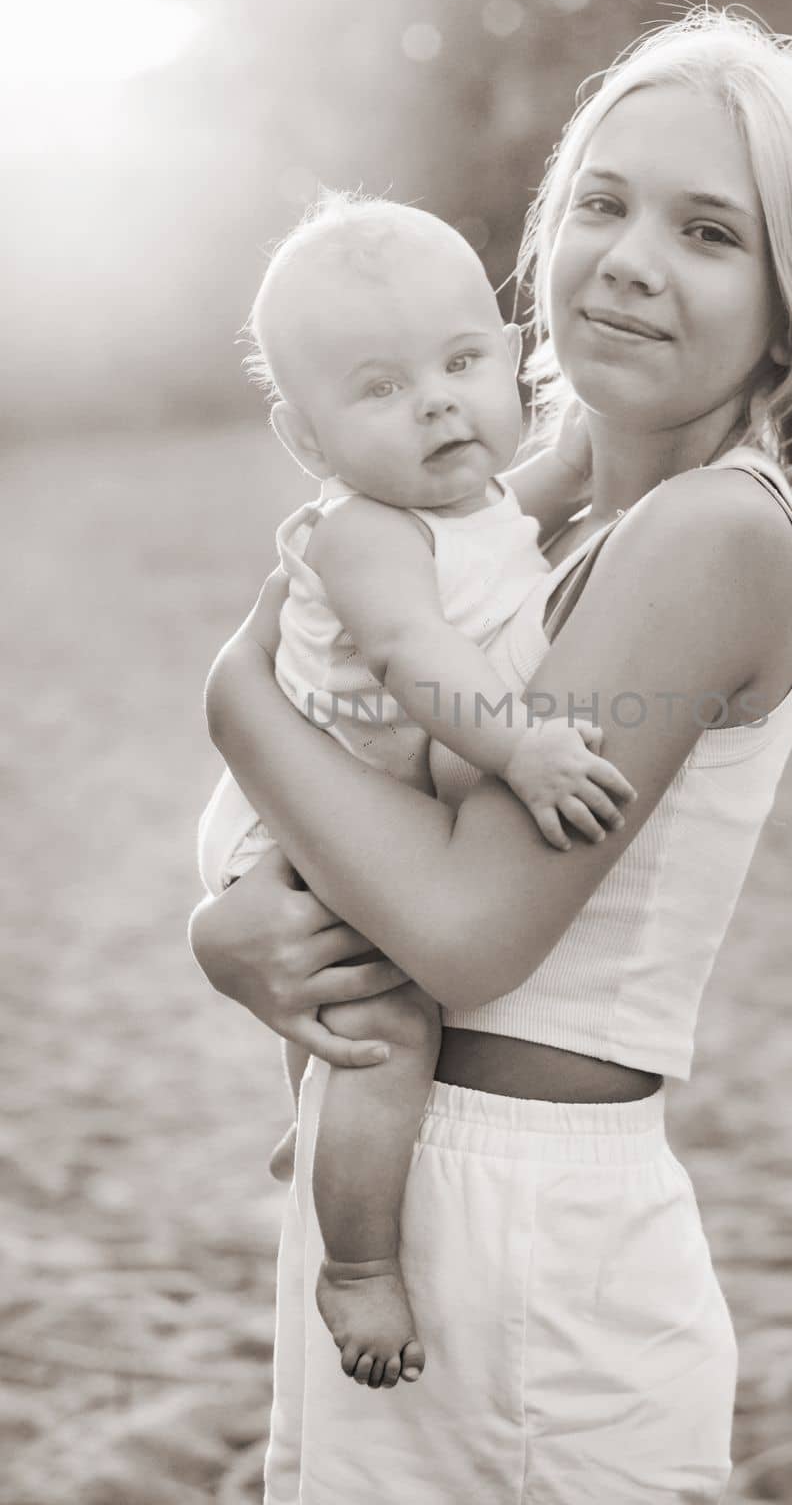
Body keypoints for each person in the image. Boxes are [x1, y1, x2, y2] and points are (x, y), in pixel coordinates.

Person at [188, 7, 792, 1505]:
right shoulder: (545, 503)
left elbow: (460, 930)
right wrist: (227, 939)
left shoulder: (714, 532)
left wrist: (230, 702)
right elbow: (352, 690)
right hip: (392, 1185)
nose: (630, 256)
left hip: (526, 1241)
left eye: (709, 231)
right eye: (602, 200)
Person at [196, 193, 637, 1387]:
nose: (438, 399)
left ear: (503, 353)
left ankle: (327, 1133)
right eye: (380, 387)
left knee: (353, 1043)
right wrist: (521, 749)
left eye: (459, 360)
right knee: (386, 1029)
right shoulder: (361, 533)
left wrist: (599, 445)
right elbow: (416, 660)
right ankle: (357, 1266)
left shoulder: (470, 498)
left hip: (357, 793)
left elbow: (535, 498)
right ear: (306, 438)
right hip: (292, 820)